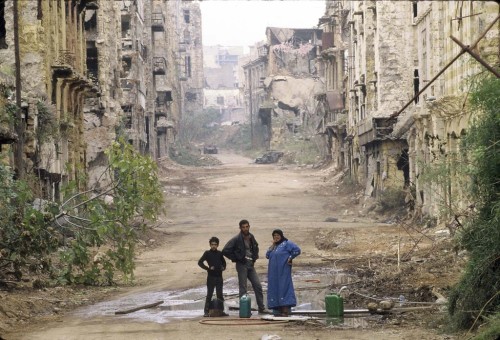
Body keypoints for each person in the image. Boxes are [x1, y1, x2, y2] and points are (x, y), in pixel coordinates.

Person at [222, 219, 267, 314]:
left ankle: (261, 308)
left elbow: (256, 247)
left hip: (250, 265)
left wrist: (255, 257)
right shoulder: (236, 239)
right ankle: (245, 310)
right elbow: (225, 250)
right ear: (240, 228)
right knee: (243, 288)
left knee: (258, 285)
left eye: (247, 227)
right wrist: (237, 258)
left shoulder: (251, 237)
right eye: (243, 227)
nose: (245, 229)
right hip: (242, 265)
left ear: (249, 226)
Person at [266, 229, 301, 317]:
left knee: (284, 287)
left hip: (283, 271)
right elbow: (267, 255)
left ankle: (285, 310)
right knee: (274, 288)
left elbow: (297, 250)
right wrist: (272, 245)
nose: (276, 237)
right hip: (273, 273)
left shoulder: (287, 243)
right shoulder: (274, 246)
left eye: (278, 235)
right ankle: (277, 310)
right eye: (274, 236)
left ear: (281, 235)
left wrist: (290, 258)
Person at [198, 236, 228, 317]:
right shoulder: (207, 253)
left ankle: (221, 311)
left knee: (220, 295)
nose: (213, 246)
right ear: (210, 245)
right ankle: (206, 312)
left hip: (219, 277)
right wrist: (208, 268)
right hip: (211, 277)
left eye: (215, 244)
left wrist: (223, 267)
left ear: (217, 245)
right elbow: (200, 262)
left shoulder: (220, 253)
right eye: (212, 244)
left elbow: (224, 263)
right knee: (209, 295)